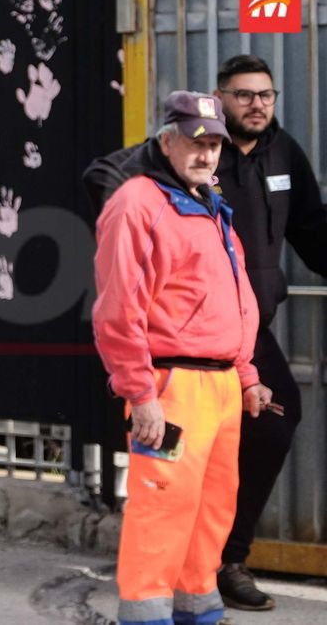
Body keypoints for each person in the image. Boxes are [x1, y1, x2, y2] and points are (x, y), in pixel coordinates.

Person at [92, 90, 272, 625]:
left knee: (212, 508)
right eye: (196, 141)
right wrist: (140, 393)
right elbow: (119, 308)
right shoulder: (137, 203)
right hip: (172, 388)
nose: (206, 153)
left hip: (218, 388)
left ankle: (199, 608)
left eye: (215, 143)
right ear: (166, 140)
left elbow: (234, 299)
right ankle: (146, 615)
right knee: (163, 505)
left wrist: (245, 375)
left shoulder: (209, 204)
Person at [211, 54, 327, 611]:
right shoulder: (197, 151)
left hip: (254, 328)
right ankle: (194, 562)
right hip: (200, 330)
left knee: (273, 427)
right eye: (244, 94)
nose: (257, 104)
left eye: (266, 95)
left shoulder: (283, 151)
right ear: (221, 97)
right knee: (191, 445)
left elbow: (310, 227)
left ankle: (226, 557)